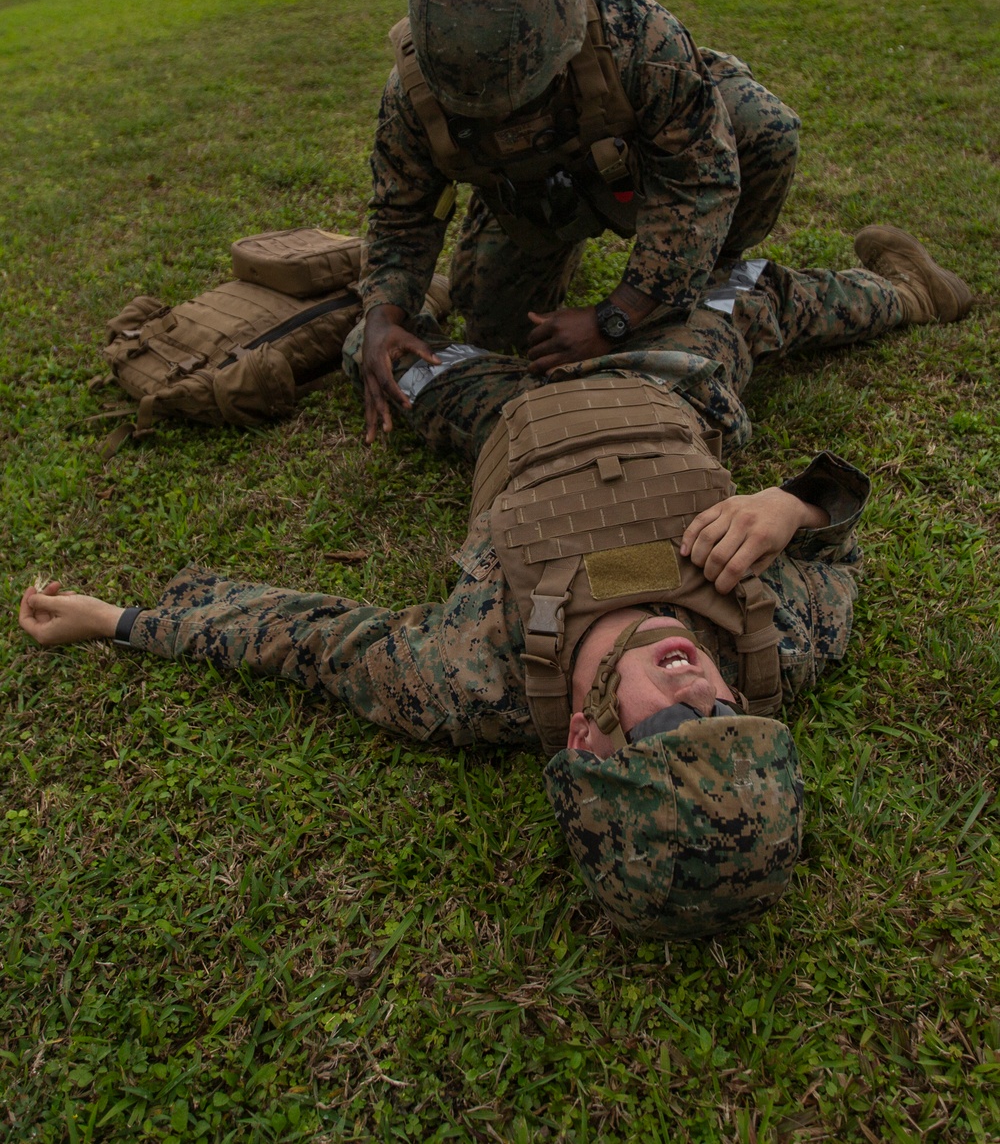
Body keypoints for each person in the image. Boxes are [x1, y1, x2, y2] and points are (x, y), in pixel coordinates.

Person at [19, 229, 973, 940]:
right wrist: (795, 510)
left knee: (375, 355)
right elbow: (842, 546)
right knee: (752, 294)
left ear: (587, 739)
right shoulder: (777, 637)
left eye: (680, 726)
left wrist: (121, 621)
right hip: (671, 382)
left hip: (509, 415)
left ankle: (462, 308)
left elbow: (308, 642)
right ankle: (915, 294)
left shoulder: (475, 673)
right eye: (732, 713)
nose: (702, 685)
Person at [361, 0, 802, 442]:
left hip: (643, 162)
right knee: (497, 333)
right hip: (531, 197)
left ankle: (712, 276)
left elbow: (698, 178)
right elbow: (401, 213)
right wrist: (384, 317)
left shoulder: (635, 30)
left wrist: (617, 316)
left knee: (764, 127)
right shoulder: (412, 93)